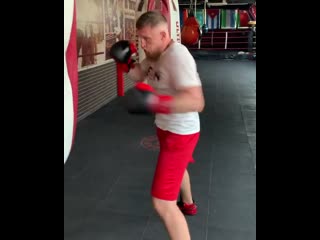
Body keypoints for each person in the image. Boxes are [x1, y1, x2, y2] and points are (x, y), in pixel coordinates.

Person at [110, 10, 205, 240]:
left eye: (146, 39)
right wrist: (126, 62)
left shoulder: (177, 56)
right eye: (139, 39)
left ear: (164, 35)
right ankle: (189, 204)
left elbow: (197, 101)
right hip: (165, 128)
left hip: (180, 134)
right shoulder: (154, 54)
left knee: (163, 203)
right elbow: (139, 74)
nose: (142, 44)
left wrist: (155, 102)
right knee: (179, 168)